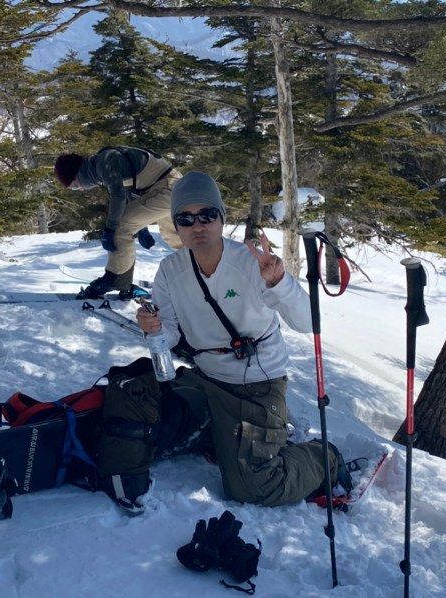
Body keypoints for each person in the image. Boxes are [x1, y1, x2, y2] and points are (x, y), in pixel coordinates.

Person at [135, 171, 346, 507]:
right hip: (206, 380)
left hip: (258, 387)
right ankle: (221, 437)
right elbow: (171, 333)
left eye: (207, 215)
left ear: (221, 217)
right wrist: (154, 328)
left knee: (256, 487)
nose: (198, 225)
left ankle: (324, 457)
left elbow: (307, 322)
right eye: (186, 219)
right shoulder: (170, 271)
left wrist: (279, 282)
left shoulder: (251, 263)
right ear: (176, 225)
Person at [54, 146, 183, 299]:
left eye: (75, 186)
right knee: (176, 237)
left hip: (167, 188)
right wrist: (142, 228)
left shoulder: (105, 162)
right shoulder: (102, 164)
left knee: (120, 227)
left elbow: (118, 196)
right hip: (172, 187)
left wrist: (109, 229)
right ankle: (200, 269)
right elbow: (131, 193)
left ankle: (115, 279)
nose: (80, 190)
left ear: (79, 173)